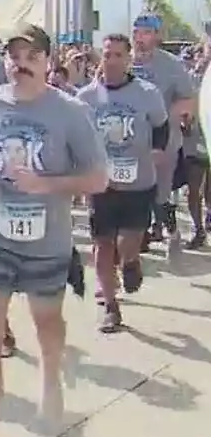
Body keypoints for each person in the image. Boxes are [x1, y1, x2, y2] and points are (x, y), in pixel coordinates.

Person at [0, 23, 107, 437]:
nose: (21, 64)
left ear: (48, 61)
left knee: (47, 326)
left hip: (47, 242)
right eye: (15, 55)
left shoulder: (69, 111)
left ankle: (50, 374)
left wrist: (47, 184)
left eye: (32, 56)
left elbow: (97, 178)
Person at [76, 34, 168, 332]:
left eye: (118, 55)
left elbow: (161, 127)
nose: (111, 60)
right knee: (102, 245)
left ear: (128, 59)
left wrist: (154, 152)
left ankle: (131, 262)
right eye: (107, 54)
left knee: (128, 244)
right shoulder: (85, 98)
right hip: (102, 186)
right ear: (99, 58)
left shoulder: (147, 93)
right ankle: (111, 307)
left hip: (139, 183)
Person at [130, 14, 197, 249]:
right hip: (130, 142)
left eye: (146, 32)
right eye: (137, 32)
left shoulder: (170, 65)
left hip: (165, 140)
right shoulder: (124, 61)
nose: (140, 38)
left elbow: (188, 99)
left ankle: (169, 226)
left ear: (157, 36)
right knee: (135, 188)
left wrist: (168, 116)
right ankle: (143, 234)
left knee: (160, 192)